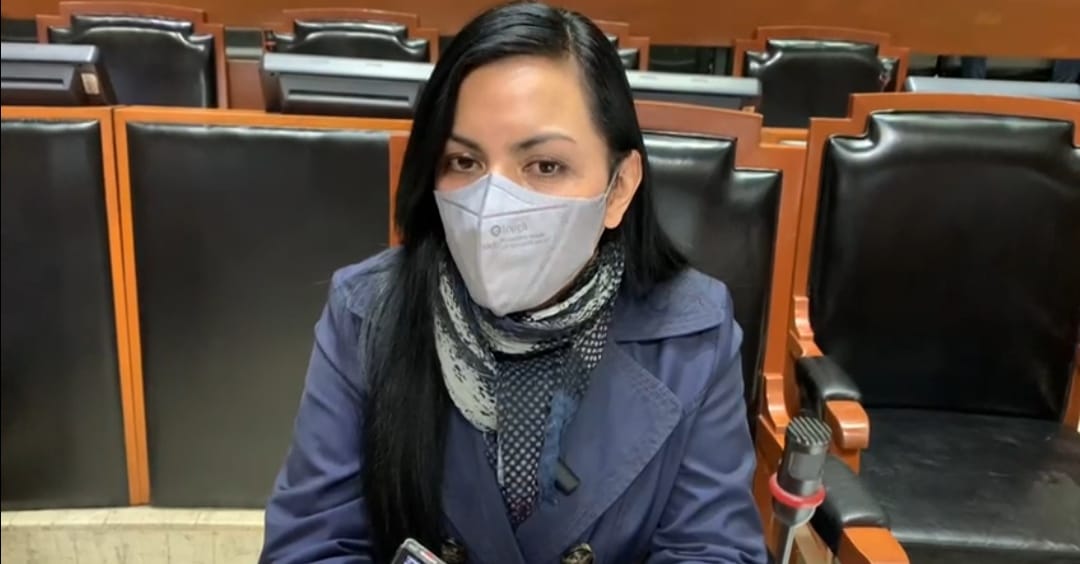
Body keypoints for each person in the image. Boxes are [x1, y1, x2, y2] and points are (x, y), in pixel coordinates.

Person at [259, 3, 767, 563]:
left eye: (545, 166)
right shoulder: (367, 312)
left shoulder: (694, 330)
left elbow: (712, 548)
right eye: (464, 162)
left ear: (619, 188)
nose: (493, 205)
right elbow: (311, 545)